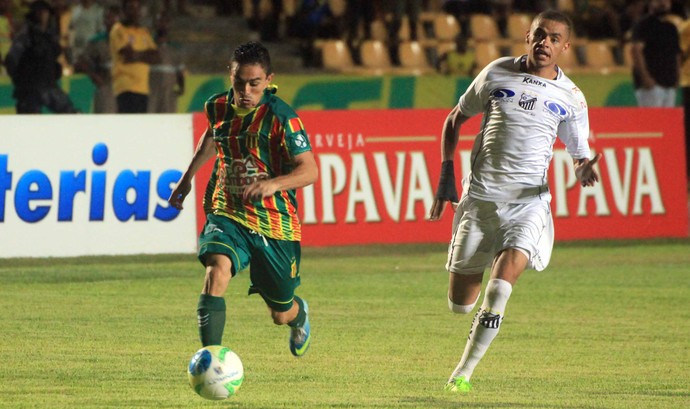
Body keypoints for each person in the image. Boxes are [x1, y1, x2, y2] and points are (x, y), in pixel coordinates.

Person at [428, 10, 602, 393]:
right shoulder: (495, 73)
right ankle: (491, 254)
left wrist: (582, 168)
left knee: (501, 287)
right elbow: (455, 119)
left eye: (555, 39)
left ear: (565, 47)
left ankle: (463, 374)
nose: (546, 43)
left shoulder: (571, 98)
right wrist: (445, 176)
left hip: (528, 204)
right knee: (460, 304)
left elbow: (579, 152)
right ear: (528, 35)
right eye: (541, 35)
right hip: (481, 200)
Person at [168, 41, 317, 357]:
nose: (246, 91)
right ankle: (211, 359)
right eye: (239, 83)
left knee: (280, 313)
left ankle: (299, 315)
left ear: (268, 79)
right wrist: (186, 179)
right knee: (216, 270)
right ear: (231, 76)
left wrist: (274, 184)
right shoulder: (217, 106)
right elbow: (214, 134)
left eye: (255, 83)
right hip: (227, 210)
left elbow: (309, 171)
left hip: (274, 223)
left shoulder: (282, 117)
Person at [4, 0, 77, 113]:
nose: (43, 15)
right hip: (30, 88)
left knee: (71, 113)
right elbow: (11, 59)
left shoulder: (48, 35)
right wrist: (21, 79)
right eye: (40, 12)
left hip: (48, 84)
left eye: (44, 12)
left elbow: (57, 53)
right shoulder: (26, 35)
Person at [110, 0, 160, 113]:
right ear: (124, 10)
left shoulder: (144, 32)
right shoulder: (118, 30)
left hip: (143, 88)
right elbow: (128, 56)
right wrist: (146, 54)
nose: (135, 11)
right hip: (125, 86)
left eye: (137, 8)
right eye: (131, 8)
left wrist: (136, 54)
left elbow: (156, 57)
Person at [630, 0, 681, 107]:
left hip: (669, 84)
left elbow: (676, 55)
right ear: (650, 3)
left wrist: (677, 77)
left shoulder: (671, 28)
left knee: (667, 122)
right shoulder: (643, 25)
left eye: (666, 1)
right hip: (652, 85)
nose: (663, 3)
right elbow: (636, 51)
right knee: (650, 121)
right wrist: (645, 77)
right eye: (659, 1)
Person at [74, 4, 119, 113]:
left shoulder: (128, 39)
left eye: (115, 19)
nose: (112, 22)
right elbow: (79, 64)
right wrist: (94, 76)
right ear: (104, 21)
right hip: (106, 89)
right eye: (109, 18)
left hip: (127, 89)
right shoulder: (97, 42)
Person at [147, 10, 185, 113]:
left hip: (169, 92)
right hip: (151, 91)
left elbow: (179, 71)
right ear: (155, 24)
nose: (162, 24)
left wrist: (181, 87)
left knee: (168, 118)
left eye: (165, 21)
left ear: (169, 25)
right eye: (160, 21)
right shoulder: (148, 44)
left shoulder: (175, 47)